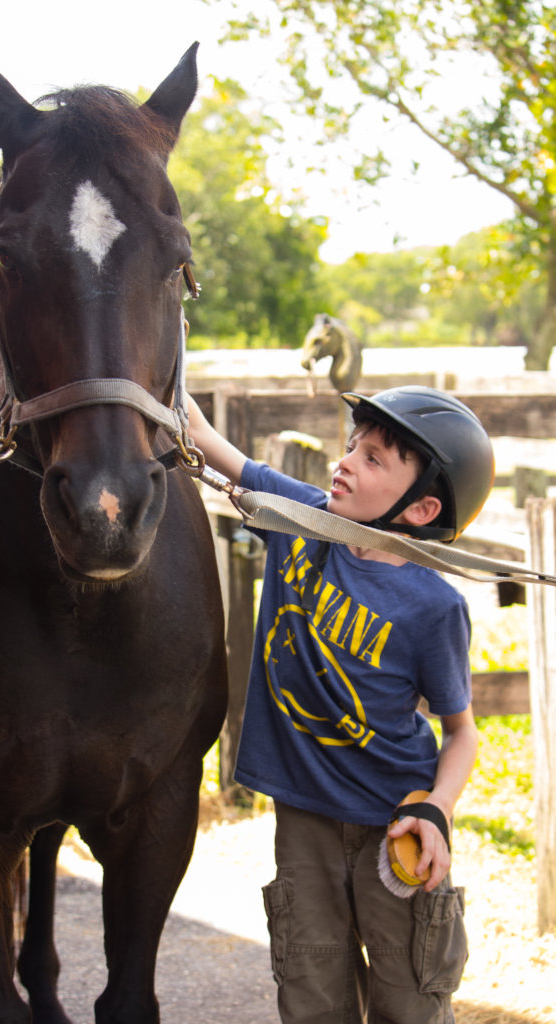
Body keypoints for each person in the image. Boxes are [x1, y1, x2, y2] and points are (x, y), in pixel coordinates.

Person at [186, 385, 495, 1024]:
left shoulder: (433, 608)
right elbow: (207, 444)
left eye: (375, 458)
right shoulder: (298, 518)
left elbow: (462, 732)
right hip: (305, 823)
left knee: (407, 1001)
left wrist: (437, 811)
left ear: (422, 508)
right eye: (352, 445)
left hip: (396, 829)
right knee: (311, 999)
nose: (347, 460)